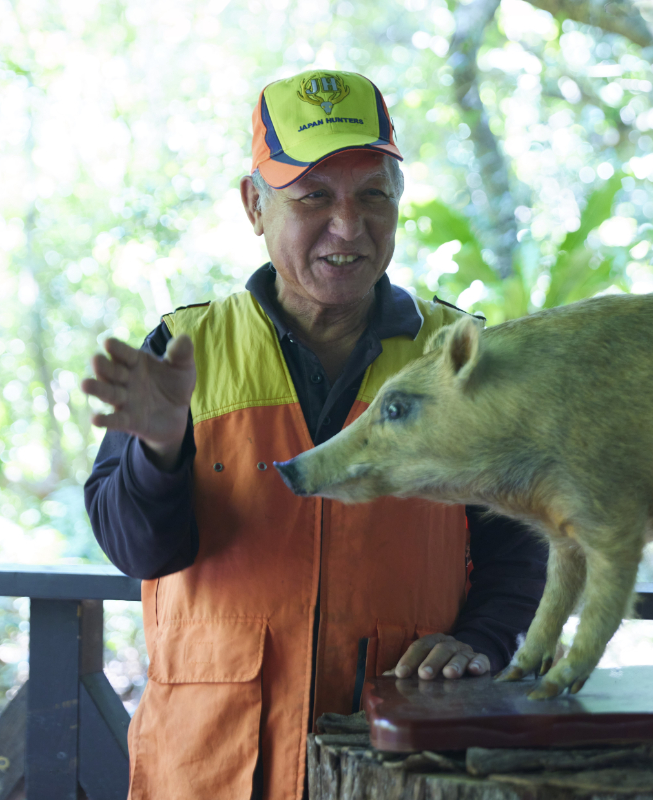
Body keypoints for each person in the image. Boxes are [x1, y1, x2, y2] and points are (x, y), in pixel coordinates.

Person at [82, 69, 547, 800]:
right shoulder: (181, 350)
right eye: (313, 198)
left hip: (399, 760)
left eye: (373, 196)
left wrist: (484, 640)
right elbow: (138, 551)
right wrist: (160, 450)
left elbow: (524, 540)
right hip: (211, 766)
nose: (348, 226)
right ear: (254, 206)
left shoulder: (459, 359)